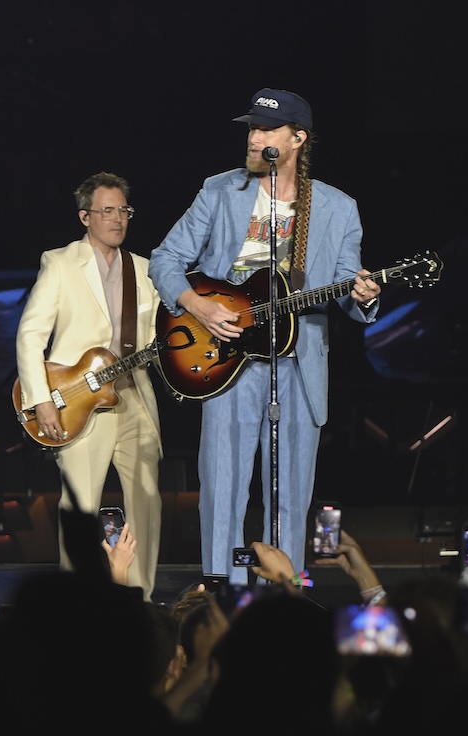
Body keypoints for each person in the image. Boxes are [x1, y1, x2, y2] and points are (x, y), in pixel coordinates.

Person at [148, 88, 381, 586]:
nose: (254, 138)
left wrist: (362, 296)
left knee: (291, 491)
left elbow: (346, 286)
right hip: (226, 358)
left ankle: (284, 595)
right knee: (223, 486)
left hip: (298, 364)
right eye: (251, 129)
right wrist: (198, 305)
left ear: (297, 139)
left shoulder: (338, 209)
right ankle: (219, 594)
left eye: (265, 129)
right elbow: (166, 259)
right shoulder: (219, 191)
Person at [15, 171, 164, 600]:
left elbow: (154, 337)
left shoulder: (145, 270)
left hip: (134, 394)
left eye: (123, 210)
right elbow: (30, 335)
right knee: (81, 506)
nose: (117, 219)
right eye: (107, 211)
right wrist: (40, 399)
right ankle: (79, 605)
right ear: (85, 216)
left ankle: (140, 601)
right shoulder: (61, 262)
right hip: (78, 400)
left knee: (146, 501)